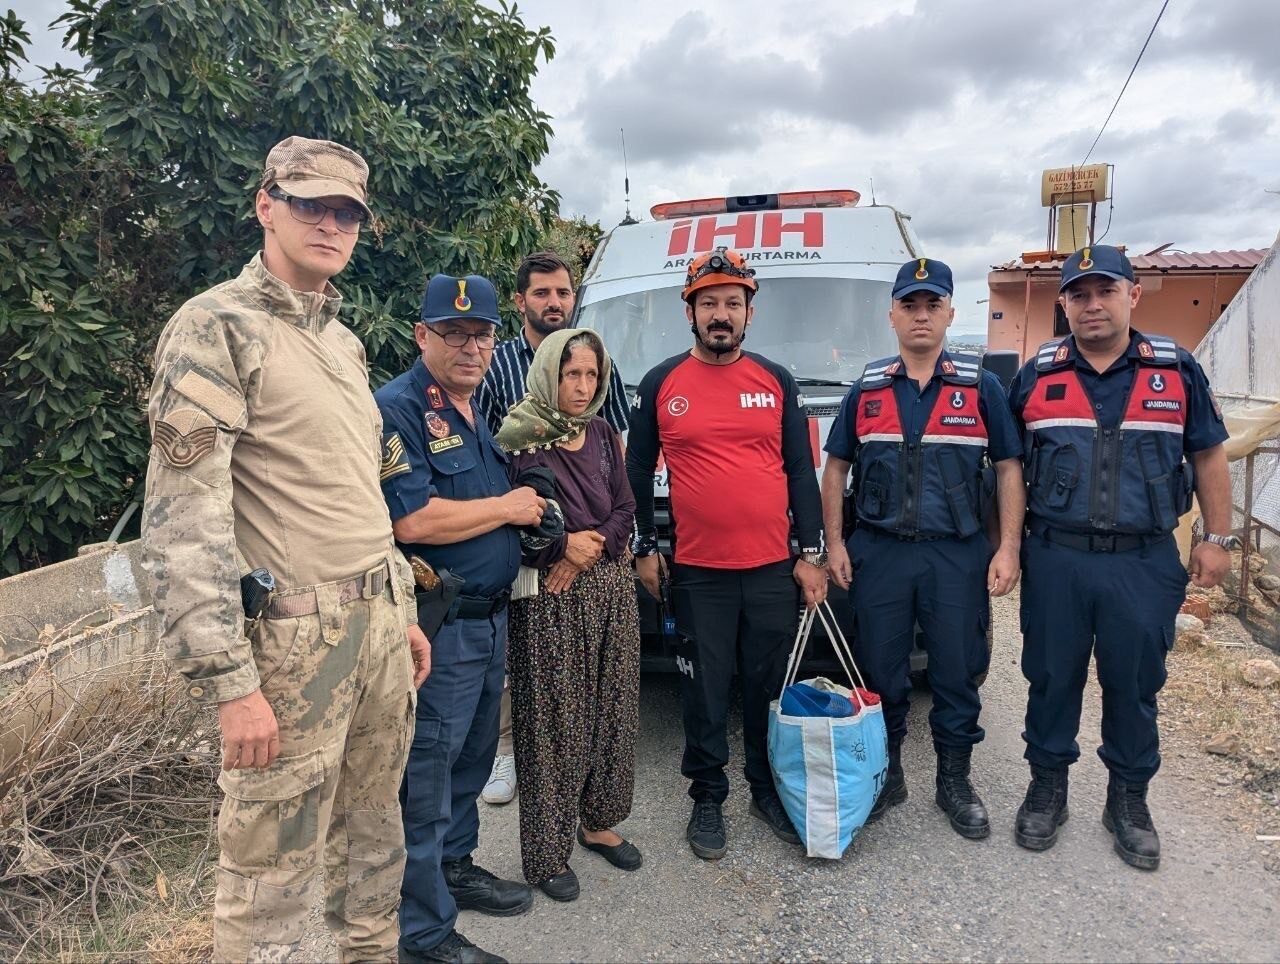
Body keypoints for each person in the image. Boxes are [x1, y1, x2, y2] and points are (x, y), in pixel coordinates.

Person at [141, 136, 431, 962]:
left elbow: (357, 499)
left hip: (373, 636)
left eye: (346, 212)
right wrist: (231, 684)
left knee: (373, 861)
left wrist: (399, 614)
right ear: (266, 204)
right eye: (311, 204)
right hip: (292, 654)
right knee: (268, 890)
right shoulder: (215, 327)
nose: (330, 223)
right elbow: (183, 521)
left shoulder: (340, 342)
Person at [1009, 244, 1232, 870]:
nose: (1092, 304)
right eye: (1078, 293)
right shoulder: (1038, 373)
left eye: (1105, 290)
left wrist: (1216, 538)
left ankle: (1128, 799)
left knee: (1134, 684)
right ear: (1063, 304)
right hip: (1056, 557)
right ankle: (1047, 788)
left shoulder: (1176, 369)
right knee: (1051, 676)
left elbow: (1210, 455)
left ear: (1133, 295)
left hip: (1143, 560)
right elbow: (1007, 471)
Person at [626, 245, 828, 861]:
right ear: (690, 311)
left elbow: (799, 468)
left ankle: (766, 791)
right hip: (699, 576)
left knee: (769, 688)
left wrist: (811, 552)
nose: (721, 314)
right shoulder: (663, 383)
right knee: (705, 693)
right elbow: (637, 470)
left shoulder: (776, 380)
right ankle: (708, 797)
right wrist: (644, 545)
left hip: (771, 570)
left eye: (732, 303)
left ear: (749, 313)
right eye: (708, 302)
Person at [820, 258, 1024, 840]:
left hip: (956, 556)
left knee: (957, 673)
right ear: (892, 315)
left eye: (932, 305)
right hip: (879, 553)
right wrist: (835, 541)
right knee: (880, 672)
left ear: (951, 313)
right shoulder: (867, 388)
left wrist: (1007, 547)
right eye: (910, 305)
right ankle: (890, 776)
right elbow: (835, 470)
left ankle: (954, 782)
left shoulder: (981, 387)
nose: (921, 315)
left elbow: (1009, 469)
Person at [376, 274, 543, 963]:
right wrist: (510, 509)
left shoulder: (479, 407)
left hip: (492, 618)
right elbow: (412, 515)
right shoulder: (399, 408)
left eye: (481, 334)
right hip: (438, 625)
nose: (470, 346)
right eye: (454, 332)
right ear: (422, 335)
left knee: (472, 757)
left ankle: (455, 867)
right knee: (430, 773)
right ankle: (422, 932)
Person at [473, 251, 633, 807]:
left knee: (584, 686)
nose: (553, 302)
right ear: (522, 301)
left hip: (592, 545)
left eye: (563, 292)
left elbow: (616, 458)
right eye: (542, 293)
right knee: (524, 668)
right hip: (521, 533)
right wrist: (556, 541)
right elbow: (491, 455)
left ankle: (588, 792)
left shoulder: (590, 356)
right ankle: (505, 756)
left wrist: (592, 542)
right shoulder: (496, 367)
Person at [496, 327, 641, 902]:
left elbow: (626, 507)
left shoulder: (603, 433)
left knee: (613, 711)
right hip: (551, 601)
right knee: (553, 725)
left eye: (591, 375)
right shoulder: (520, 438)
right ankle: (547, 854)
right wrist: (562, 549)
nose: (582, 387)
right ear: (548, 373)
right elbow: (512, 521)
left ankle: (598, 821)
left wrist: (590, 548)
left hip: (606, 587)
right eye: (570, 373)